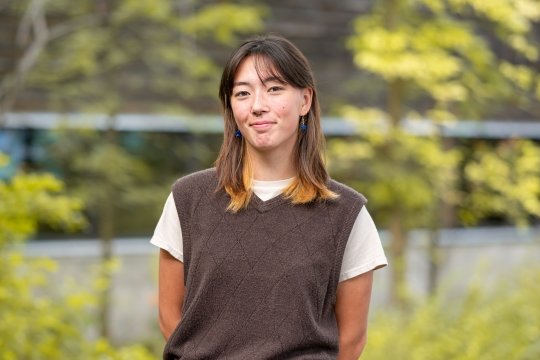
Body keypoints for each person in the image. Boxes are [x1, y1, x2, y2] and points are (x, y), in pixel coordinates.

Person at [150, 34, 387, 359]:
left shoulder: (347, 215)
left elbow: (351, 342)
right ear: (232, 108)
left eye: (274, 89)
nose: (258, 105)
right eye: (243, 93)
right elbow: (170, 318)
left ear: (305, 100)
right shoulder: (187, 200)